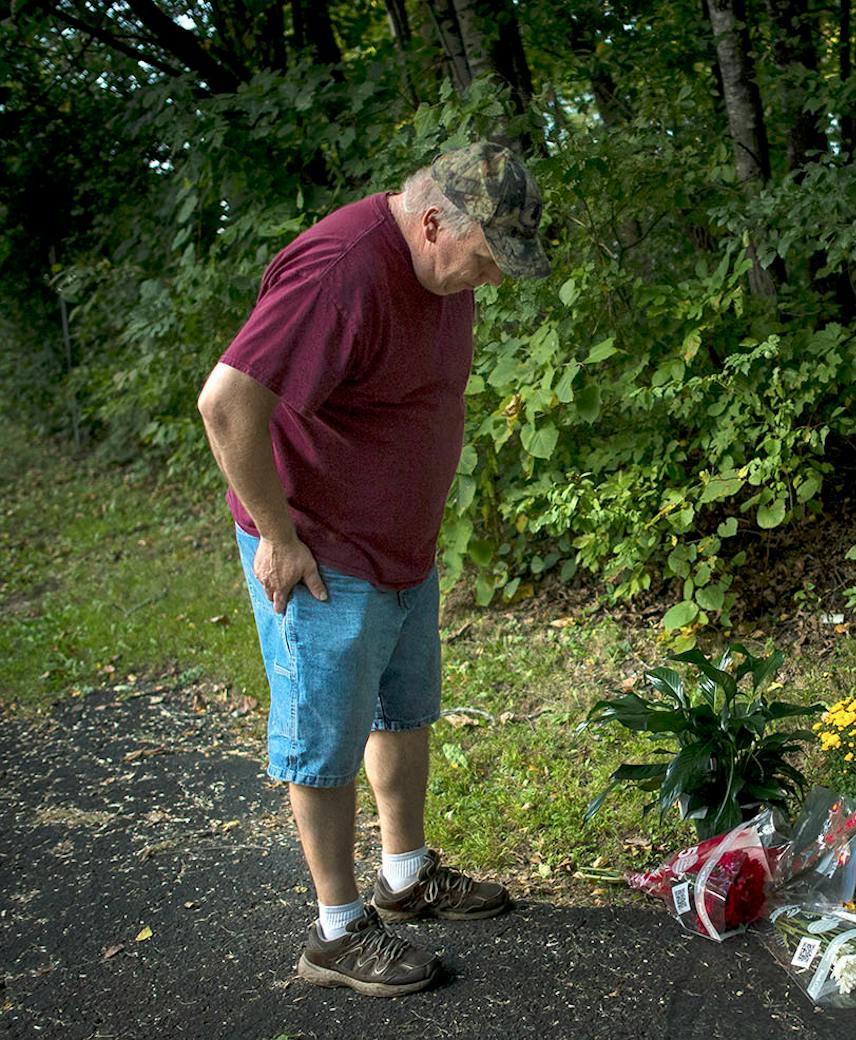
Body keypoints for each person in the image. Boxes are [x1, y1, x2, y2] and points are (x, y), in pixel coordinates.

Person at [197, 142, 551, 997]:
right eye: (488, 259)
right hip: (323, 551)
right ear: (433, 223)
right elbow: (225, 402)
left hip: (399, 547)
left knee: (403, 709)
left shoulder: (438, 269)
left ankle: (404, 877)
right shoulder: (339, 270)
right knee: (324, 738)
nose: (495, 280)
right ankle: (337, 931)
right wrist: (278, 538)